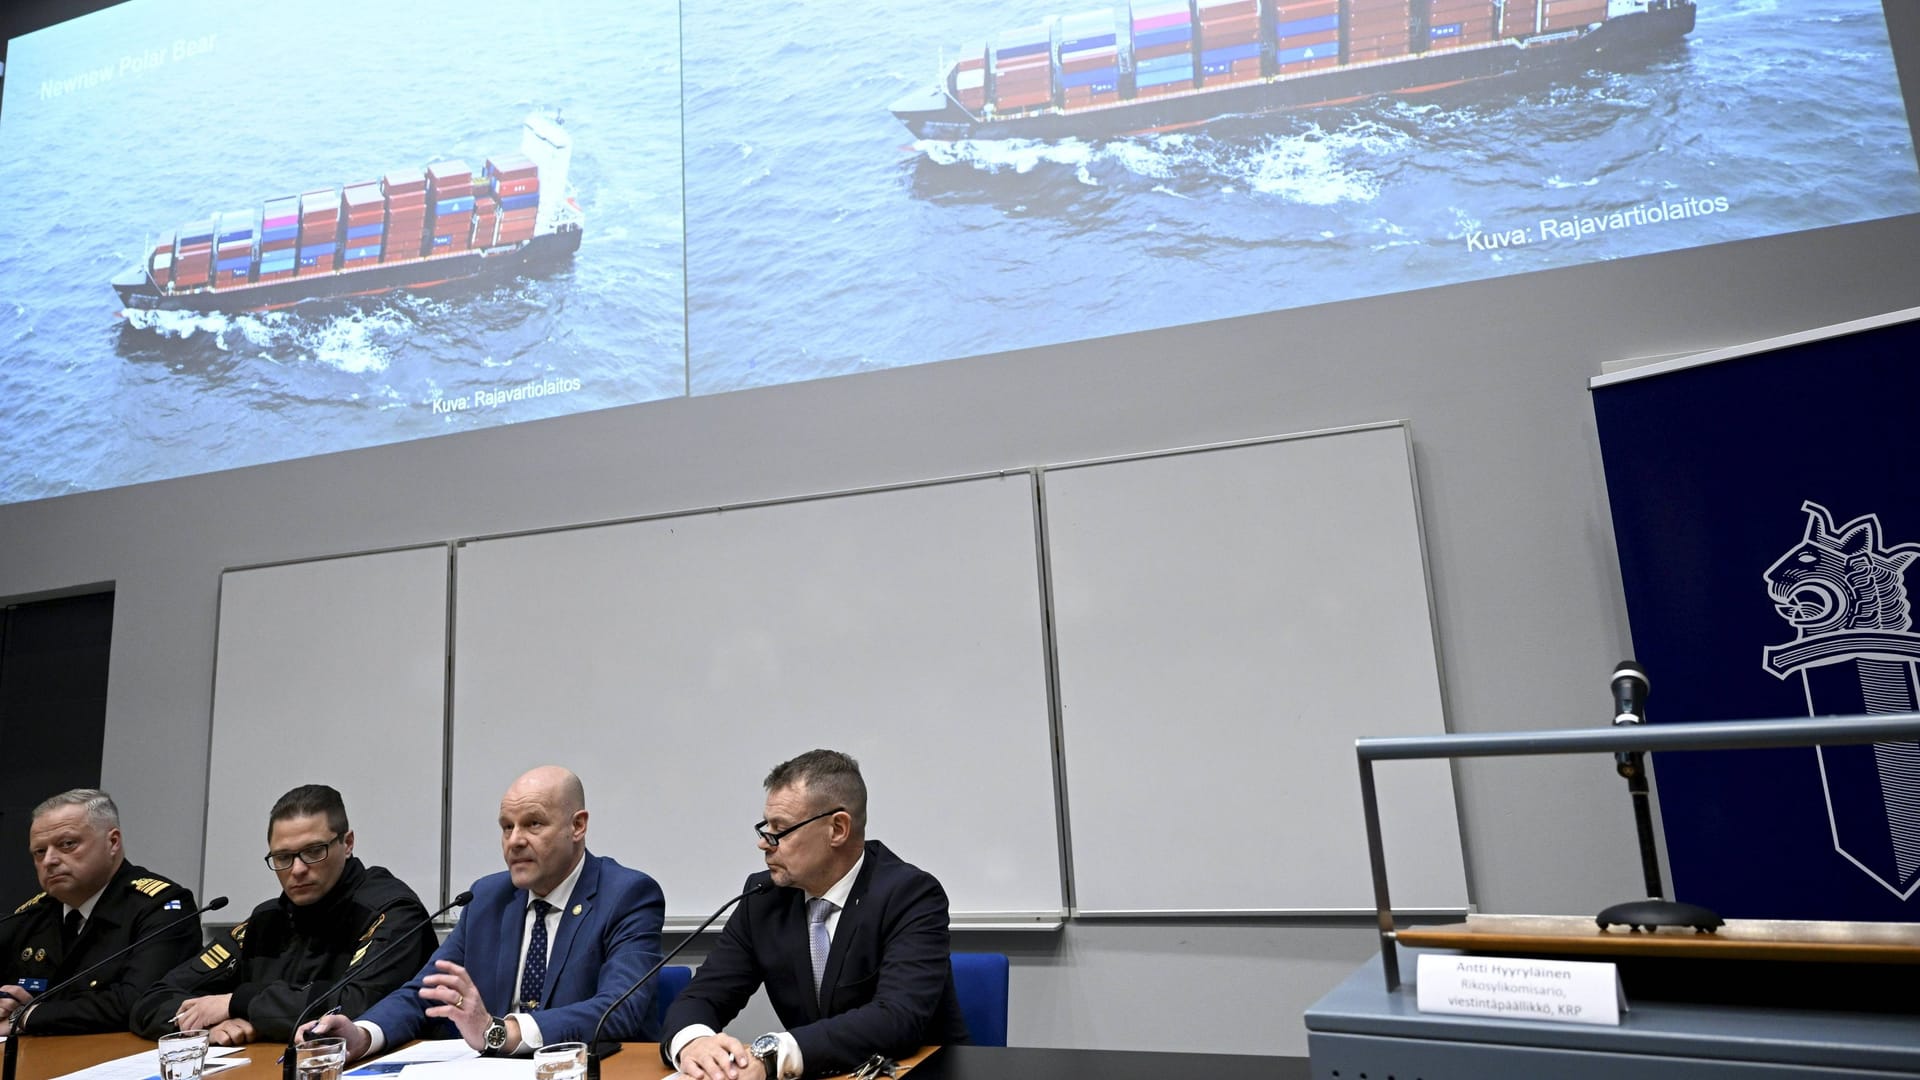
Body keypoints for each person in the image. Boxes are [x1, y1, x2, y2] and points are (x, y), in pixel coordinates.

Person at [304, 766, 664, 1059]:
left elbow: (618, 1009)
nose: (515, 840)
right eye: (507, 826)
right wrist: (363, 1034)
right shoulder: (487, 897)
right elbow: (425, 992)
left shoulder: (627, 895)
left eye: (533, 824)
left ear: (577, 826)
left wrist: (501, 1032)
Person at [663, 749, 968, 1080]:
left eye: (780, 830)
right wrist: (694, 1042)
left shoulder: (909, 894)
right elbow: (703, 997)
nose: (765, 844)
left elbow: (896, 1018)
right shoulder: (764, 898)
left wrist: (772, 1056)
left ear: (837, 829)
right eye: (765, 828)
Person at [130, 784, 438, 1045]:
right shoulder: (265, 920)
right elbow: (154, 999)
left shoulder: (391, 911)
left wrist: (240, 1003)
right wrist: (208, 1027)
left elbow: (356, 1007)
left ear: (348, 844)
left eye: (314, 851)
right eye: (283, 857)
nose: (298, 869)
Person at [0, 789, 201, 1035]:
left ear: (113, 842)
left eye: (67, 844)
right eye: (39, 852)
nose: (50, 860)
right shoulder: (31, 915)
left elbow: (140, 1001)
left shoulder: (160, 906)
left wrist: (27, 1015)